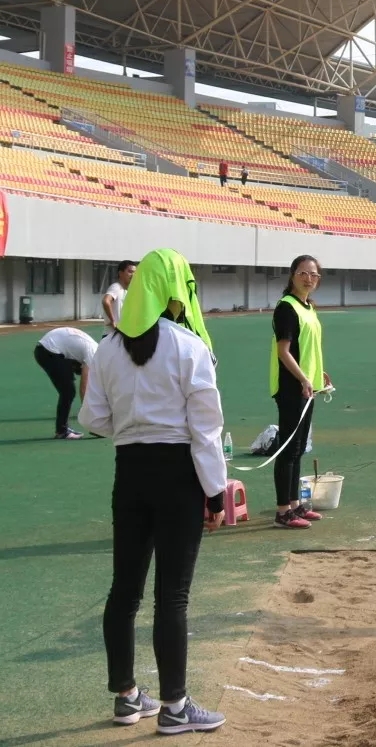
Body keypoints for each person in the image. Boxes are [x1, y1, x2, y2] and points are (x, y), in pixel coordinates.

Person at [79, 247, 228, 734]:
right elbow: (205, 429)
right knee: (173, 596)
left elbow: (93, 418)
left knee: (124, 590)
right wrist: (215, 491)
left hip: (130, 471)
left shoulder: (107, 348)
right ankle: (175, 707)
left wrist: (131, 425)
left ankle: (126, 698)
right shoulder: (188, 346)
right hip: (178, 473)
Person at [271, 255, 331, 529]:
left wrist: (318, 373)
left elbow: (307, 348)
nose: (309, 279)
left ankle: (294, 505)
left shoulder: (308, 307)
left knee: (298, 449)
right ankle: (283, 511)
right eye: (303, 273)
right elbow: (284, 352)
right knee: (288, 449)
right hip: (291, 387)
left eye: (314, 274)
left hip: (307, 387)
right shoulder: (287, 307)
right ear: (292, 275)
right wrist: (304, 378)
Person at [35, 326, 98, 439]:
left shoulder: (95, 349)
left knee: (68, 391)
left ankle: (62, 429)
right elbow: (84, 387)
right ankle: (62, 431)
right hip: (49, 351)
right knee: (68, 392)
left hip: (47, 348)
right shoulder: (94, 354)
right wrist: (90, 418)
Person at [102, 260, 137, 339]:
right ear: (120, 273)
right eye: (130, 272)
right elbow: (106, 301)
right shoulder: (116, 287)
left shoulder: (126, 291)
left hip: (120, 334)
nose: (133, 275)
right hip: (111, 335)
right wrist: (113, 321)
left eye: (135, 273)